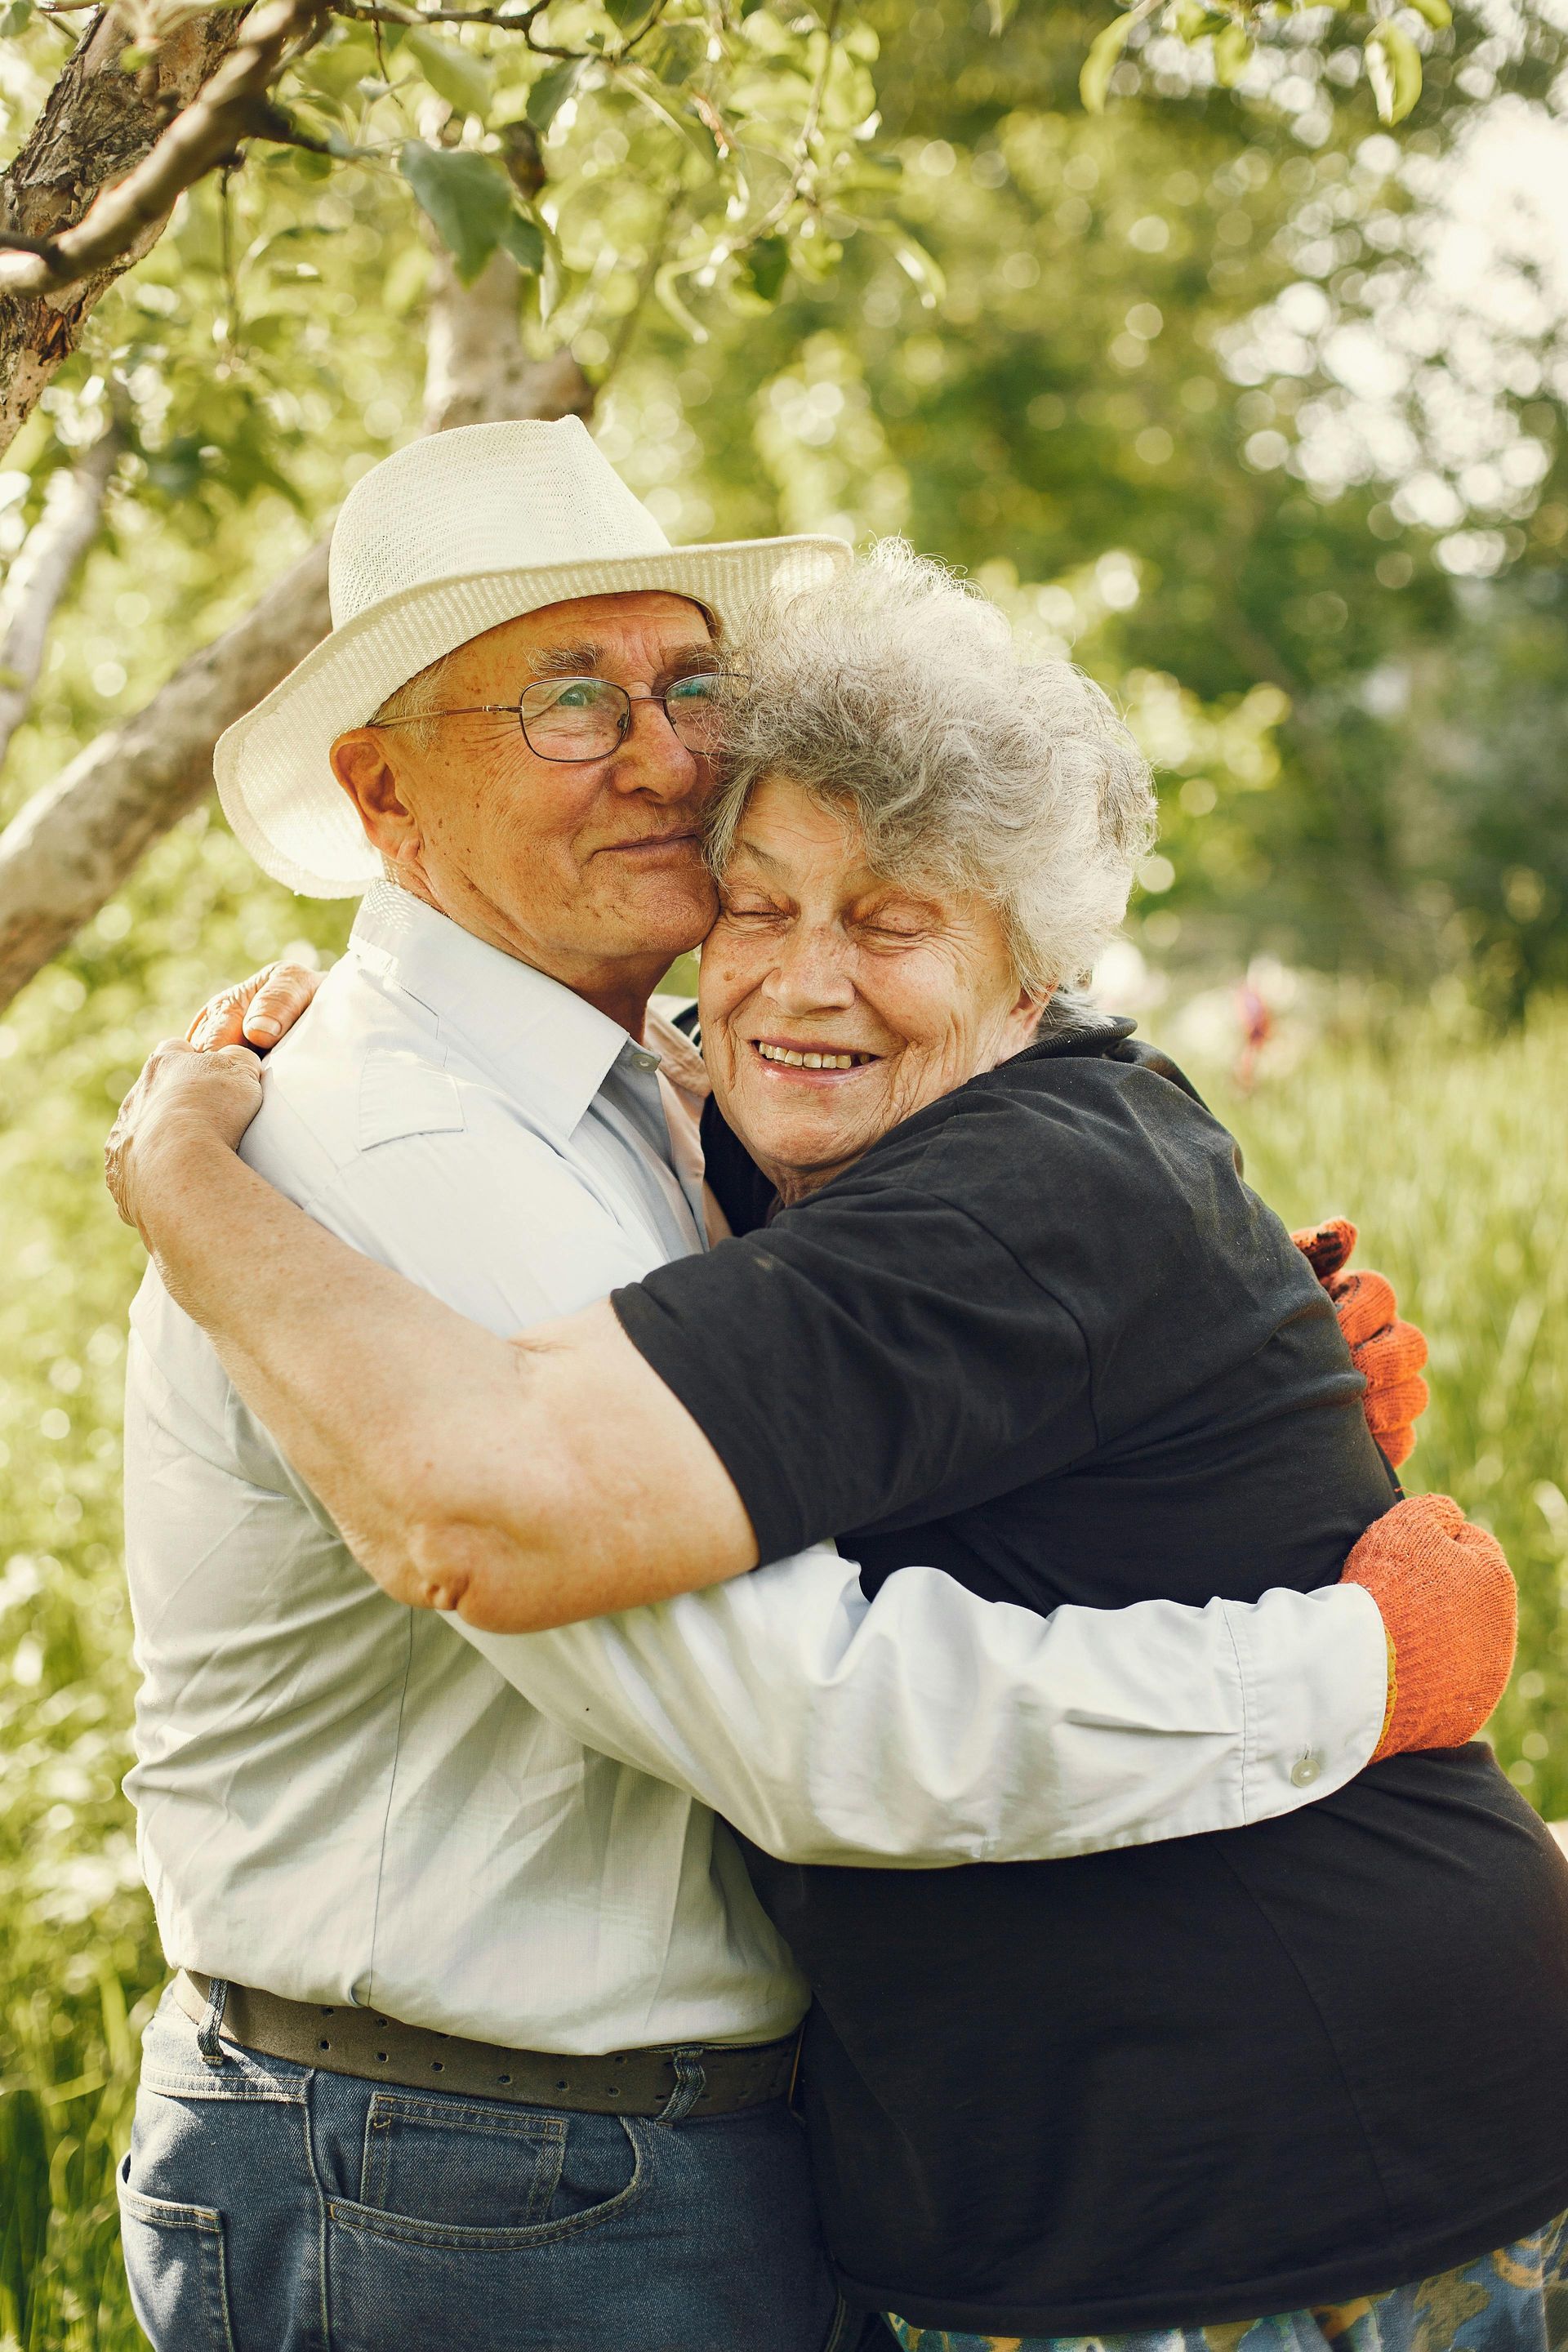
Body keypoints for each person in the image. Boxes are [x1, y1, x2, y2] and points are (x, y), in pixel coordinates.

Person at [111, 537, 1566, 2352]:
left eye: (892, 923)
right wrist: (1337, 1629)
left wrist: (172, 1179)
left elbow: (538, 1517)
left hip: (1283, 2185)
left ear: (1033, 977)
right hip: (588, 2164)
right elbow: (586, 1557)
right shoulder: (561, 1123)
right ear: (384, 792)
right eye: (764, 905)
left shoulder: (991, 1186)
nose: (802, 980)